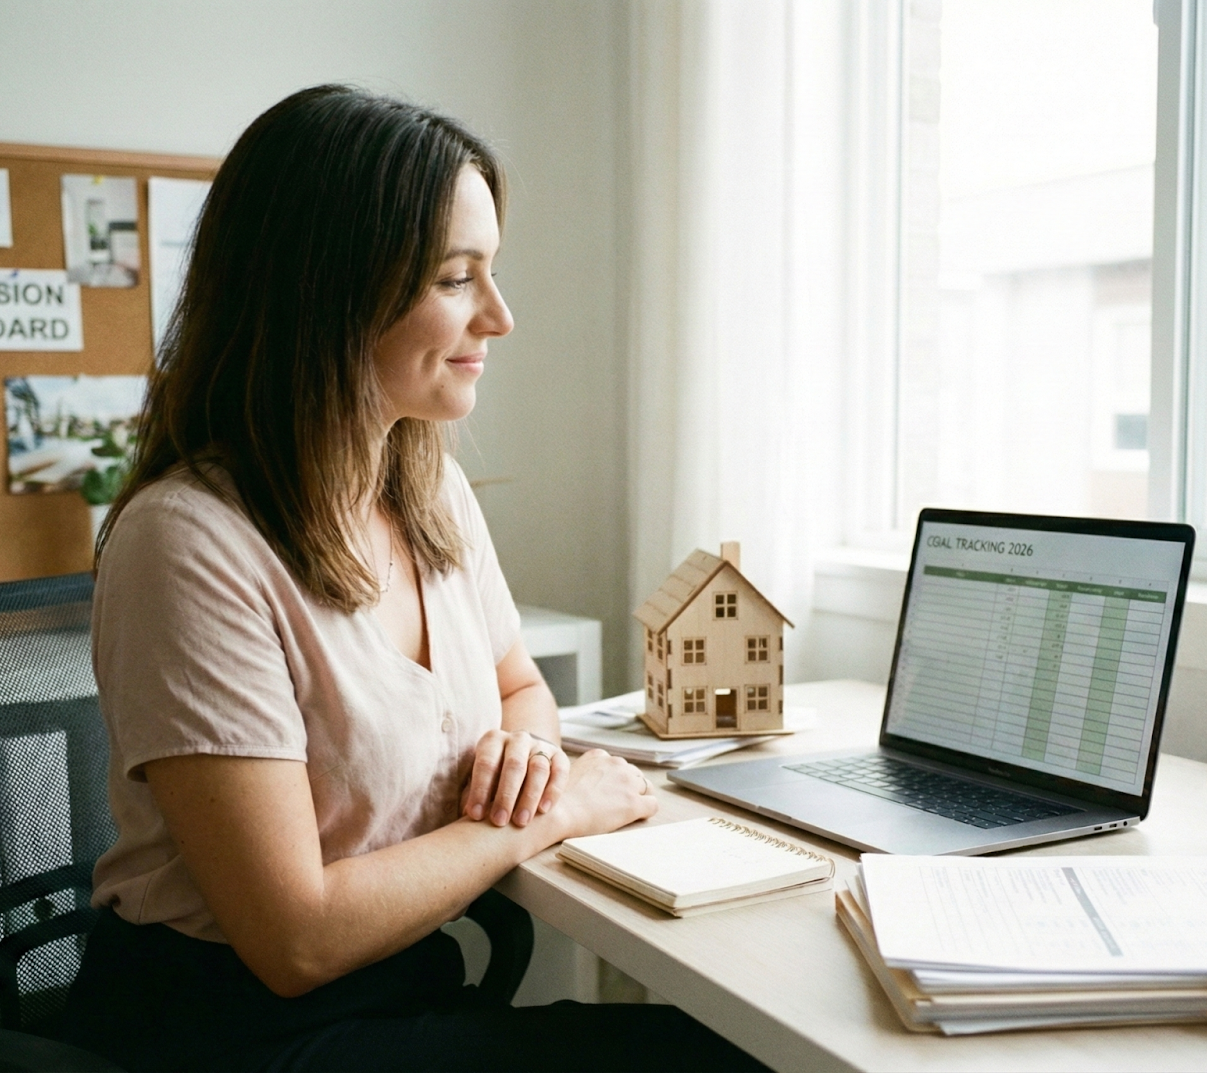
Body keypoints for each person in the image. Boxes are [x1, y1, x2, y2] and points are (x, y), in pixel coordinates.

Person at [61, 85, 766, 1072]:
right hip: (234, 1032)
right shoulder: (189, 542)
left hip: (399, 983)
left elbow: (520, 684)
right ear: (326, 289)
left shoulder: (422, 485)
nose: (500, 316)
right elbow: (294, 938)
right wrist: (555, 810)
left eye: (493, 272)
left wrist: (526, 759)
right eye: (454, 277)